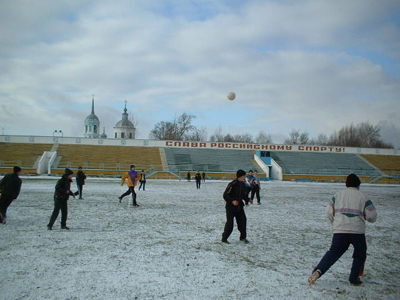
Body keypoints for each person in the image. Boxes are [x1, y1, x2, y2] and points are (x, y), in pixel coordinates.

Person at [308, 174, 377, 286]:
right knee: (360, 254)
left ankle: (318, 271)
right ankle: (354, 278)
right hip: (357, 231)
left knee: (333, 253)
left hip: (340, 230)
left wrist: (335, 223)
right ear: (358, 185)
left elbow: (329, 212)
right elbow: (372, 216)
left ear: (346, 184)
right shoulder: (363, 197)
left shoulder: (337, 195)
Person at [221, 169, 253, 244]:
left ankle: (243, 237)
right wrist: (232, 201)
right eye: (244, 176)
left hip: (239, 207)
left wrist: (248, 199)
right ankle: (224, 238)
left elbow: (244, 194)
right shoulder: (232, 184)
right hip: (230, 208)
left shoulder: (243, 184)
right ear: (240, 176)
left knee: (243, 222)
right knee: (230, 224)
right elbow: (225, 195)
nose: (245, 177)